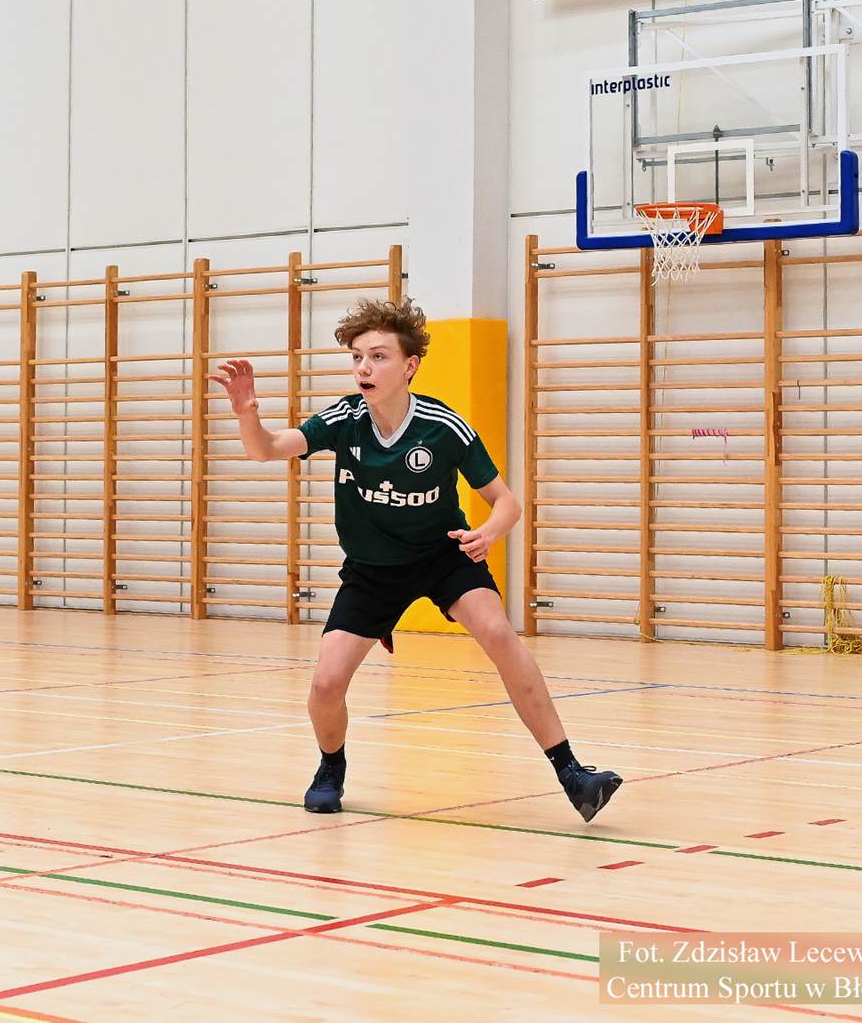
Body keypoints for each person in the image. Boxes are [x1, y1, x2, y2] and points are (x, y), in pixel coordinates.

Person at [207, 297, 622, 821]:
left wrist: (488, 533)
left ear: (410, 365)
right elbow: (265, 449)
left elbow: (506, 502)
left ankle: (573, 774)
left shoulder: (442, 427)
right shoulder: (344, 419)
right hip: (372, 571)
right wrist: (247, 413)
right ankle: (331, 768)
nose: (364, 368)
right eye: (357, 357)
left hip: (441, 556)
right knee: (326, 684)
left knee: (499, 634)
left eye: (378, 357)